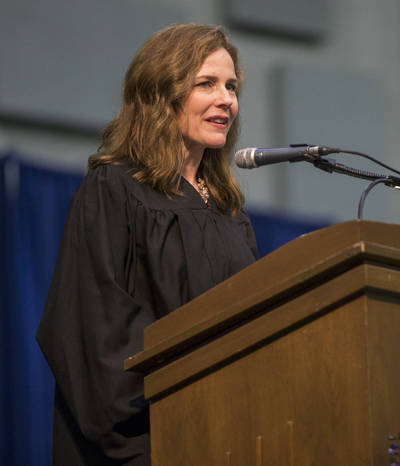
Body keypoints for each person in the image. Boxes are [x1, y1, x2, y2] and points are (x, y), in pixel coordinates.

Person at [36, 24, 258, 465]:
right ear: (162, 93)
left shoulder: (230, 213)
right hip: (150, 444)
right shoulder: (114, 191)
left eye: (231, 86)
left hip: (229, 439)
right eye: (206, 84)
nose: (226, 100)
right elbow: (96, 334)